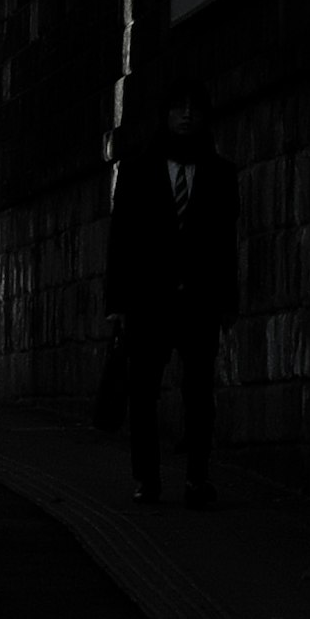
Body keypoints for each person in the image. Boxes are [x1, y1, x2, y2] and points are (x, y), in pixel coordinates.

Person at [103, 87, 237, 508]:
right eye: (178, 108)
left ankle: (197, 476)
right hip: (148, 299)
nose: (186, 116)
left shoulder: (219, 173)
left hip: (199, 298)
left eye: (194, 108)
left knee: (199, 392)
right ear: (164, 115)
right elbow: (120, 240)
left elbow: (225, 243)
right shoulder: (139, 171)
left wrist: (227, 299)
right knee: (143, 392)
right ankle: (147, 477)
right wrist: (117, 303)